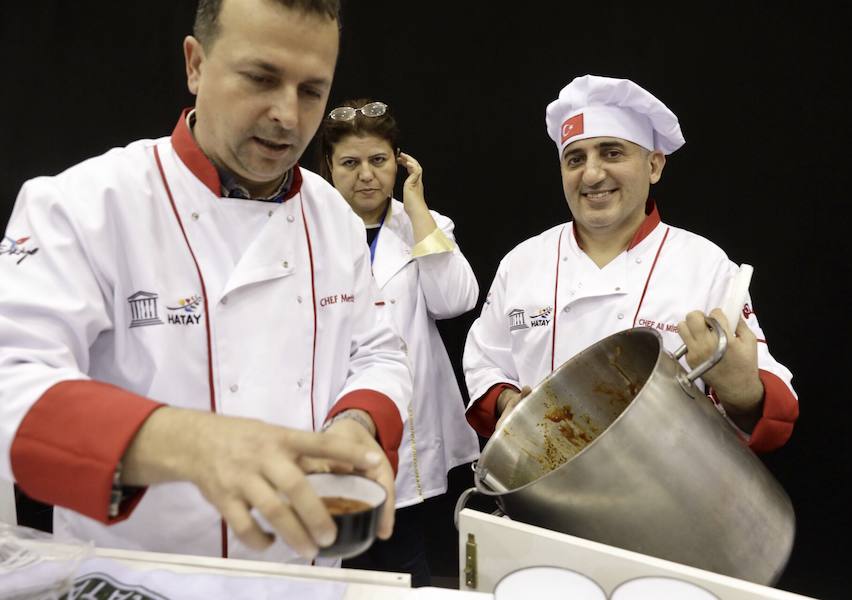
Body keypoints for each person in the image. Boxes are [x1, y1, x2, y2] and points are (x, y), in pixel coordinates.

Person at [0, 0, 413, 566]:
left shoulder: (333, 216)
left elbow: (379, 351)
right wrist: (193, 442)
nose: (288, 116)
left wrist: (354, 424)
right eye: (261, 78)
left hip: (305, 576)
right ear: (195, 64)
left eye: (311, 90)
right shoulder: (84, 205)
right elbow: (10, 384)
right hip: (137, 574)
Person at [464, 75, 798, 451]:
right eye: (575, 159)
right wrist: (508, 402)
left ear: (654, 166)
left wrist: (742, 390)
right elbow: (485, 360)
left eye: (612, 152)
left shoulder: (705, 266)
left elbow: (776, 412)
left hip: (665, 495)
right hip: (542, 492)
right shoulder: (522, 262)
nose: (591, 174)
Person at [316, 99, 480, 586]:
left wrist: (416, 205)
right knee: (334, 565)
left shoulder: (423, 225)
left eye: (378, 161)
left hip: (412, 420)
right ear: (328, 168)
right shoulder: (307, 231)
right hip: (335, 418)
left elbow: (454, 299)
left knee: (404, 561)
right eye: (350, 163)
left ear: (400, 163)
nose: (366, 175)